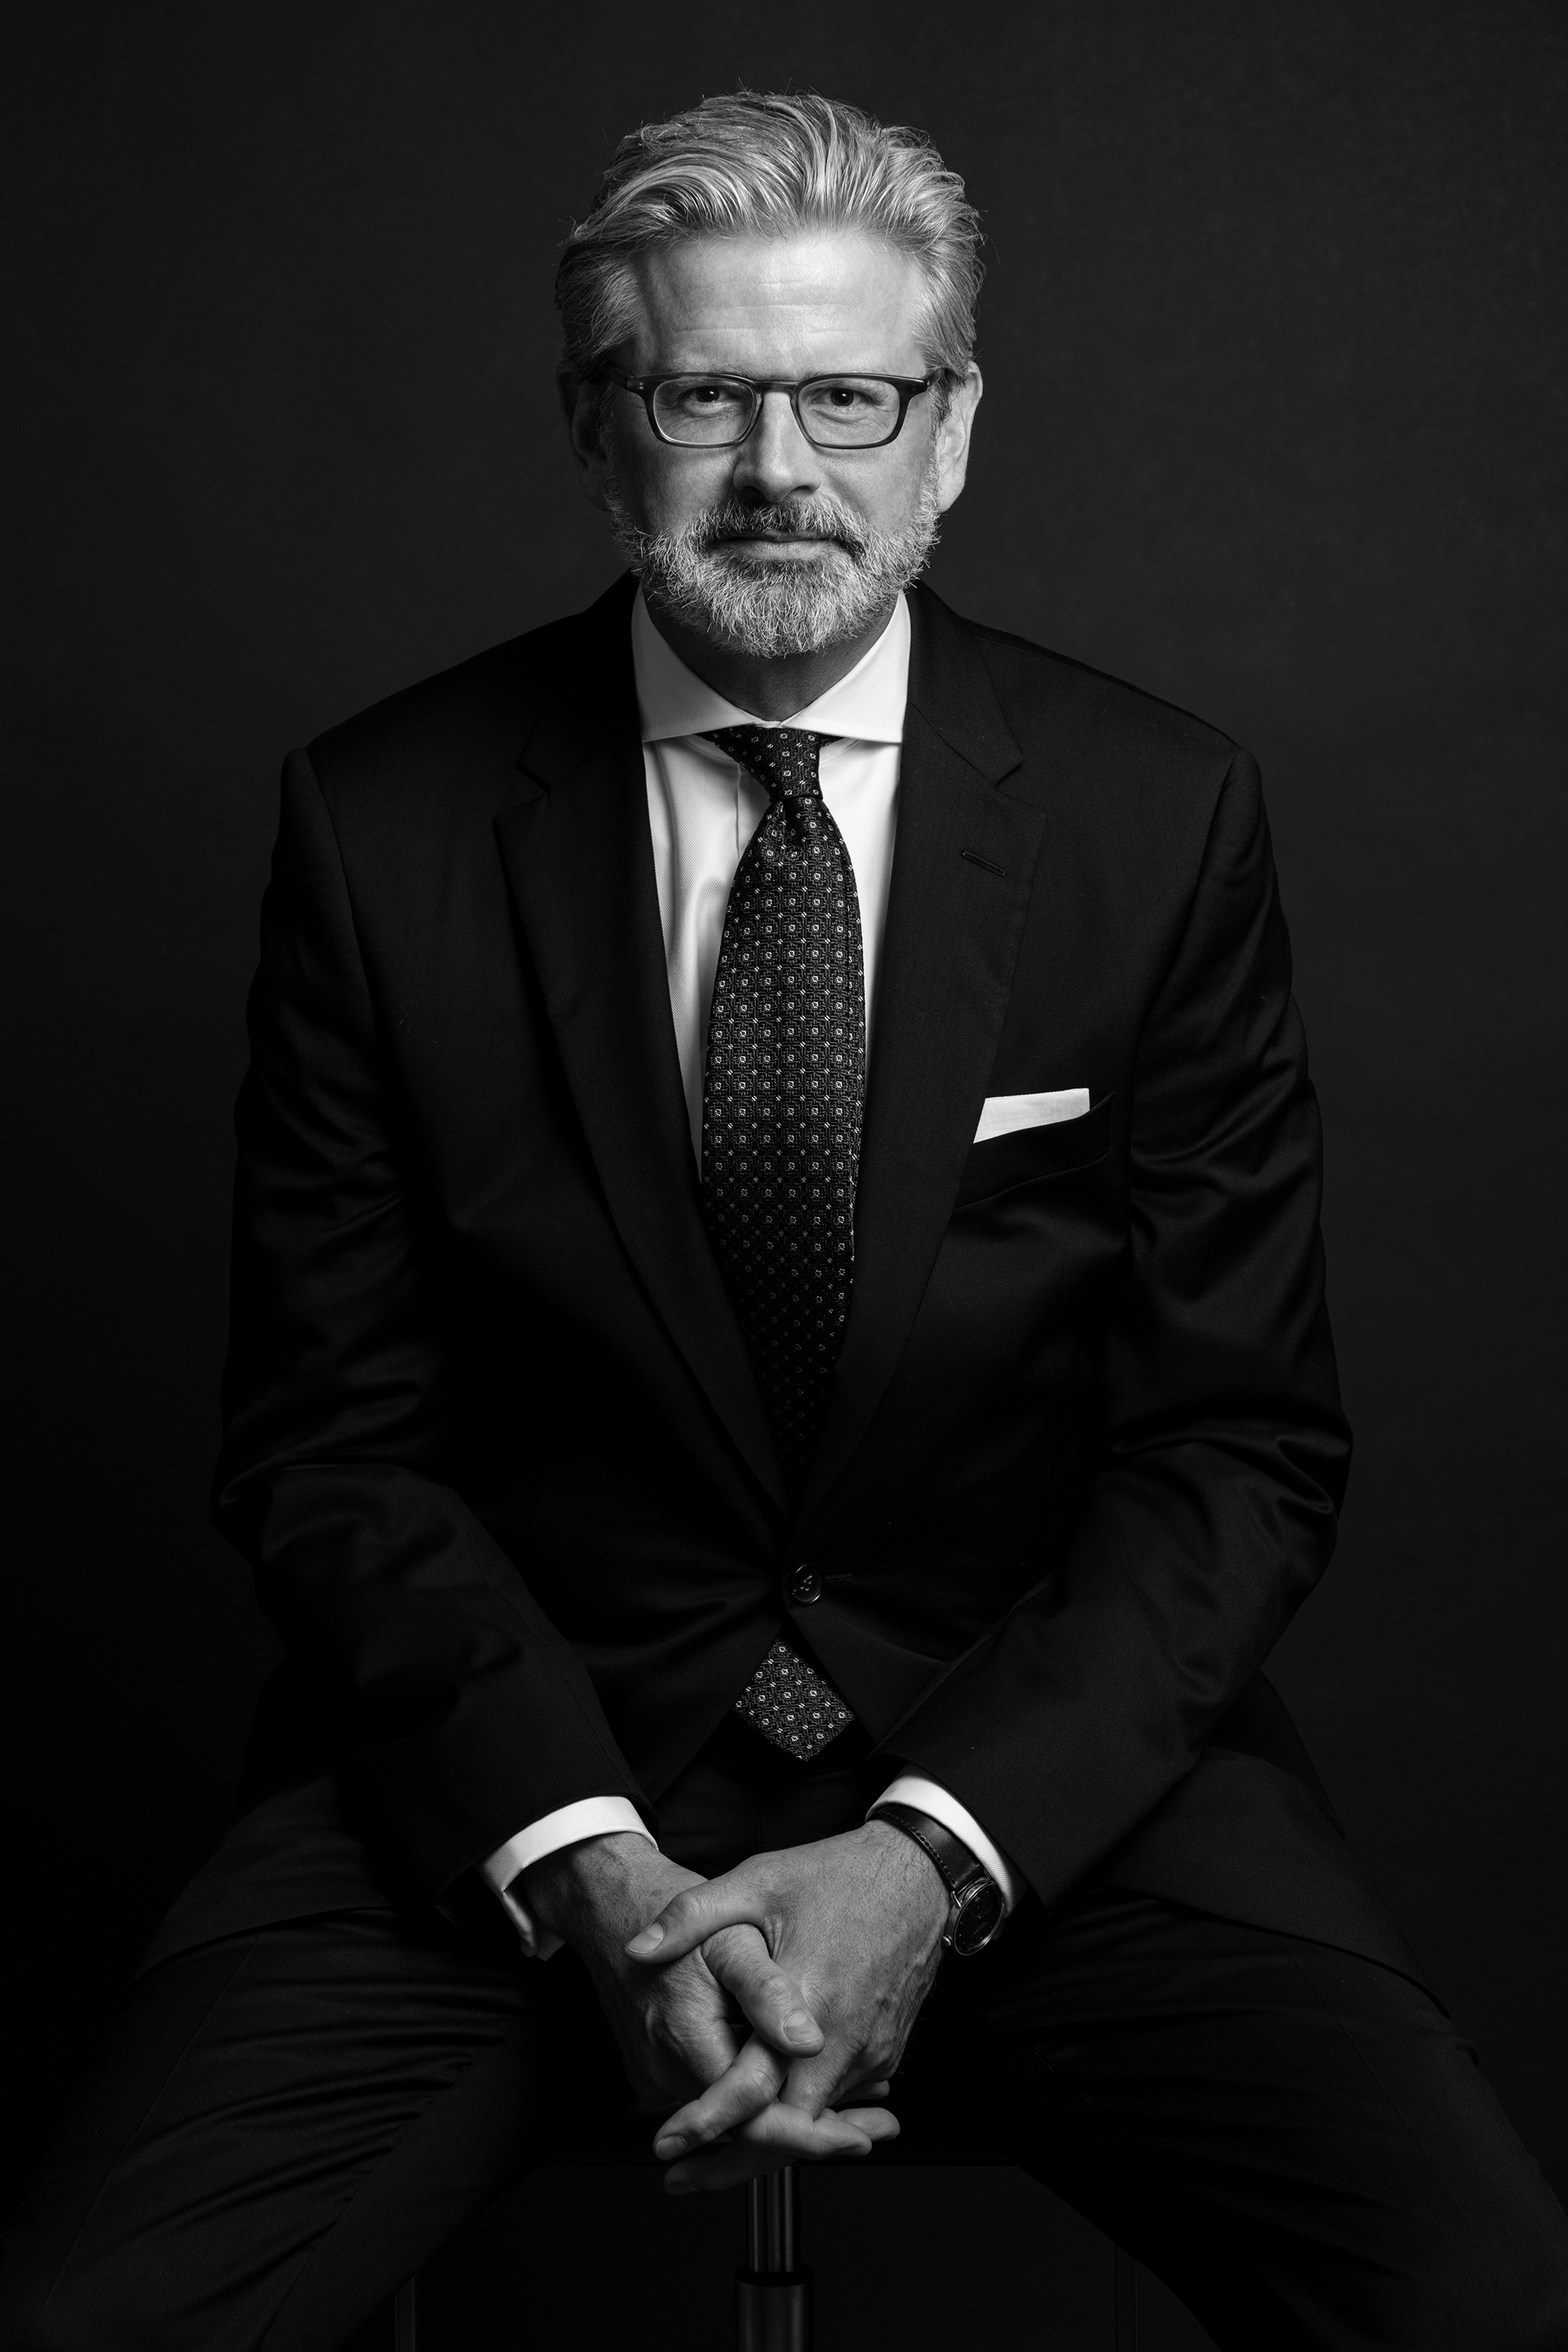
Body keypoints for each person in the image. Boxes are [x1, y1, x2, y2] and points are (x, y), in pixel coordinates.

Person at [5, 88, 1566, 2352]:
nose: (779, 470)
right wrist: (592, 1867)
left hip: (1039, 1778)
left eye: (852, 397)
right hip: (516, 1774)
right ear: (597, 427)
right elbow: (330, 1450)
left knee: (1480, 2303)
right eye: (703, 397)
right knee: (91, 2324)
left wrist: (929, 1852)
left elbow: (1235, 1448)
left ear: (954, 433)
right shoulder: (385, 823)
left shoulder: (1156, 815)